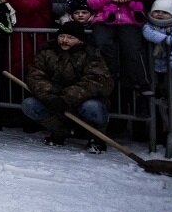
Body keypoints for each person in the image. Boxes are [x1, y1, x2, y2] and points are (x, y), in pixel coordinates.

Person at [21, 21, 115, 151]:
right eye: (62, 36)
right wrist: (52, 95)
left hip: (82, 100)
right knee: (30, 104)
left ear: (80, 40)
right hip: (55, 99)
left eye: (70, 38)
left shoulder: (91, 55)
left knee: (93, 107)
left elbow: (96, 81)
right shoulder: (47, 52)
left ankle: (96, 137)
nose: (64, 40)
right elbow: (35, 76)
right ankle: (60, 131)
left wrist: (67, 97)